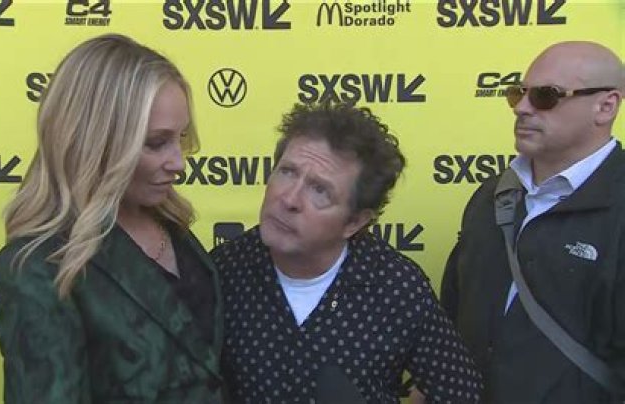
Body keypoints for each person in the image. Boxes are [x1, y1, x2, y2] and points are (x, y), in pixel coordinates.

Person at [0, 34, 224, 403]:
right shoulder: (39, 267)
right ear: (96, 141)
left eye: (180, 138)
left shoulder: (172, 226)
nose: (179, 163)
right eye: (156, 142)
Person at [211, 101, 483, 403]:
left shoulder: (397, 286)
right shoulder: (220, 271)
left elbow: (458, 390)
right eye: (287, 172)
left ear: (354, 222)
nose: (289, 199)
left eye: (319, 190)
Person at [441, 41, 625, 403]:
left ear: (605, 106)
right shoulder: (491, 195)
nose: (522, 108)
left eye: (546, 96)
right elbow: (454, 307)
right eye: (518, 93)